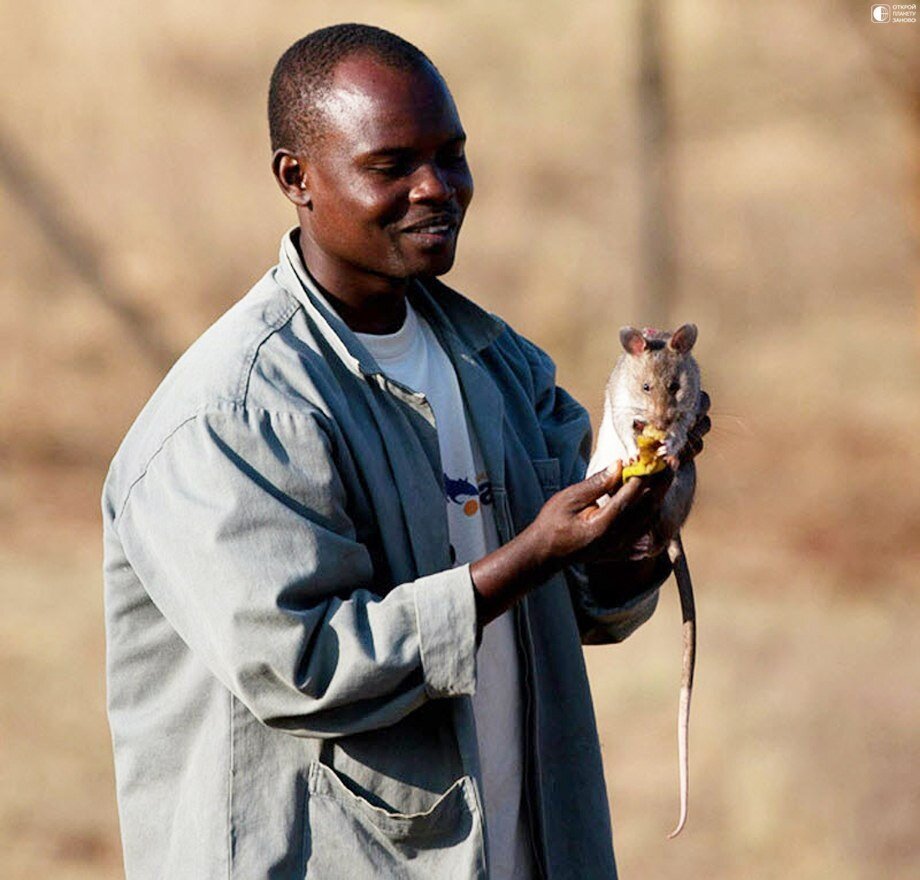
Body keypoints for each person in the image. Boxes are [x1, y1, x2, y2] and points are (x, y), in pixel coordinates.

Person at [102, 23, 709, 880]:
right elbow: (308, 669)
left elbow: (584, 607)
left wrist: (641, 521)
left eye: (452, 156)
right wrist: (530, 553)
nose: (438, 188)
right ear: (296, 179)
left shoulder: (502, 367)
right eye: (391, 166)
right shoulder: (233, 414)